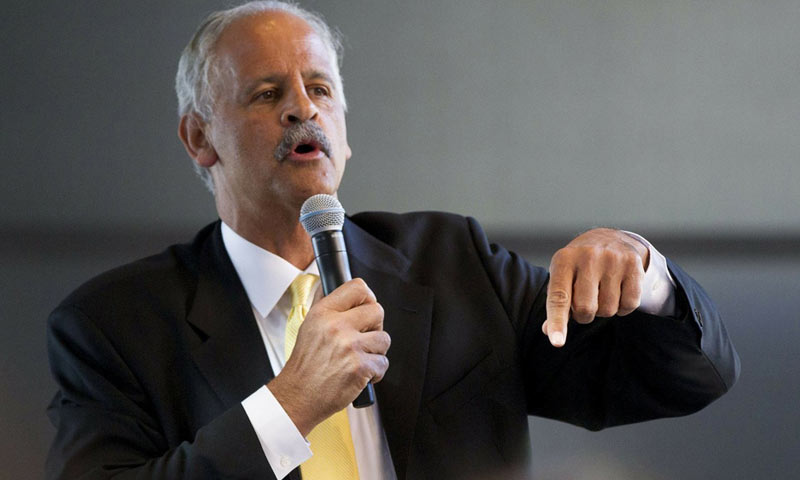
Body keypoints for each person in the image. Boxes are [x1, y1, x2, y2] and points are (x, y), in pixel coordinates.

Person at [45, 2, 740, 479]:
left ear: (344, 129)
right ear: (200, 138)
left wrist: (647, 276)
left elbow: (684, 380)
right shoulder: (110, 326)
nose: (302, 107)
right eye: (265, 93)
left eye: (319, 87)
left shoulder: (454, 264)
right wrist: (291, 404)